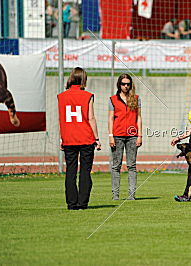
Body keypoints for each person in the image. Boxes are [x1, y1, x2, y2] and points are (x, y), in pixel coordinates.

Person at [57, 67, 101, 210]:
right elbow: (91, 118)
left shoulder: (61, 96)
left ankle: (71, 203)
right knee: (85, 172)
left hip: (69, 138)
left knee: (70, 171)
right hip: (86, 138)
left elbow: (62, 119)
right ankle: (82, 203)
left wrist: (61, 139)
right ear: (83, 80)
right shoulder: (87, 96)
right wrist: (97, 138)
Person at [109, 73, 142, 201]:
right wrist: (110, 136)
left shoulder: (136, 99)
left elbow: (139, 117)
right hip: (117, 135)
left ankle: (131, 195)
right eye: (123, 84)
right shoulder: (112, 99)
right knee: (116, 166)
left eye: (128, 84)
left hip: (132, 136)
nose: (126, 86)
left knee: (132, 165)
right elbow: (110, 119)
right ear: (119, 85)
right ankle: (115, 195)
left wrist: (140, 135)